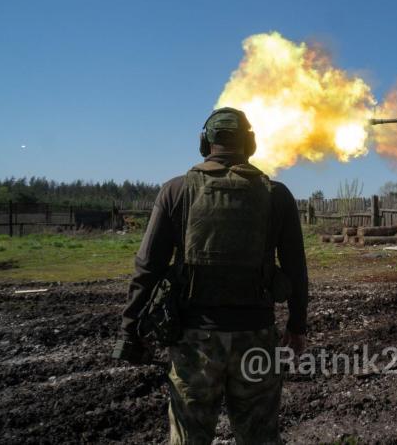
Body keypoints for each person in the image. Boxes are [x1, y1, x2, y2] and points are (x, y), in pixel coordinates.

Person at [112, 107, 309, 444]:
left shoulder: (176, 190)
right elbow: (296, 268)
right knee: (260, 437)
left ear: (205, 142)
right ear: (251, 143)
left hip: (193, 340)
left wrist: (131, 330)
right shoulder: (277, 195)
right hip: (256, 338)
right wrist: (297, 326)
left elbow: (147, 266)